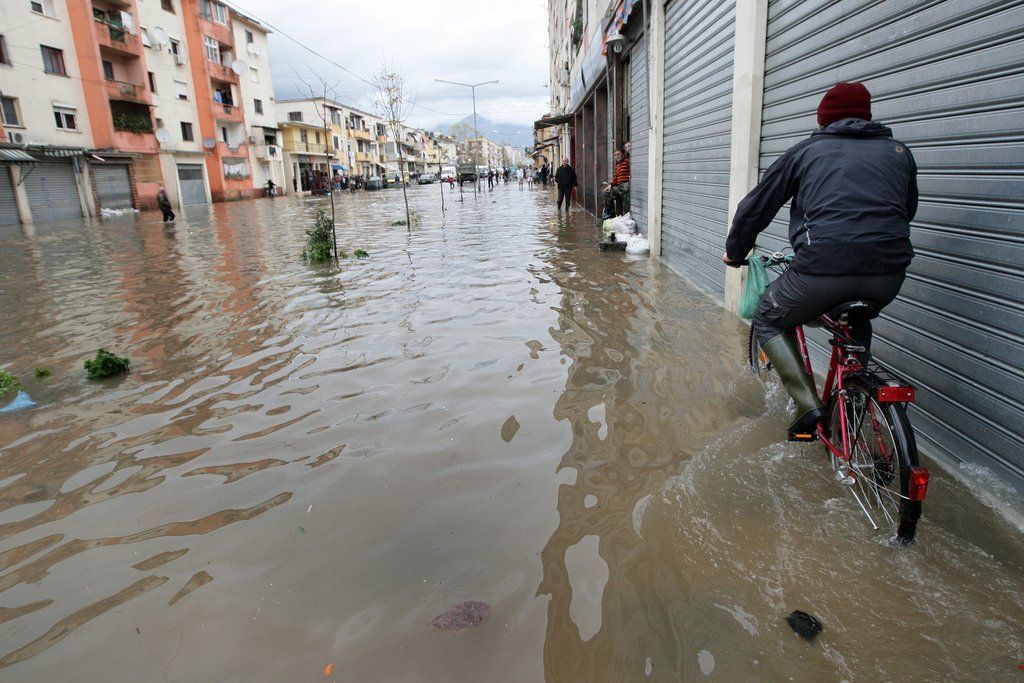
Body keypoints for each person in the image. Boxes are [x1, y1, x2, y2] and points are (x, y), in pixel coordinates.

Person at [723, 82, 917, 438]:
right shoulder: (899, 153)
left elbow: (754, 209)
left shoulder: (806, 152)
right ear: (867, 116)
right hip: (889, 274)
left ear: (823, 119)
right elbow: (907, 210)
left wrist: (735, 252)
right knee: (857, 321)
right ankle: (852, 409)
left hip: (822, 269)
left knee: (768, 317)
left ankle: (808, 407)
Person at [602, 148, 630, 218]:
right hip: (620, 186)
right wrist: (610, 185)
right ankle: (610, 214)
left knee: (611, 193)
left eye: (618, 154)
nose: (617, 156)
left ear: (622, 155)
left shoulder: (627, 161)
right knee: (606, 192)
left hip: (625, 185)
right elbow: (615, 178)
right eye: (615, 155)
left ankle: (611, 214)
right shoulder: (617, 166)